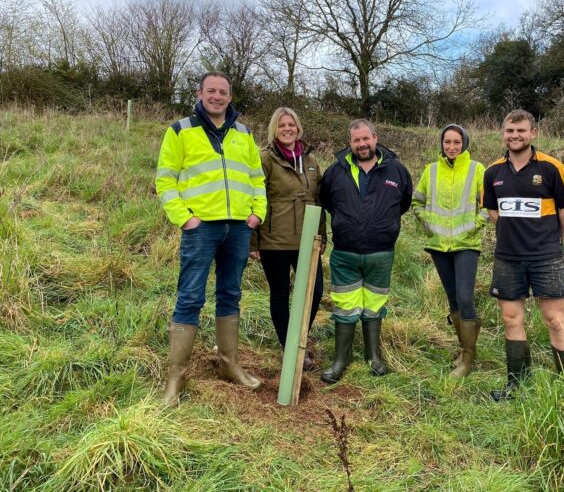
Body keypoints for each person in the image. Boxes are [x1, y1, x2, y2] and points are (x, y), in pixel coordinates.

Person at [155, 72, 267, 407]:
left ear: (230, 97)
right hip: (201, 227)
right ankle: (176, 376)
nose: (217, 97)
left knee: (231, 293)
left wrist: (256, 213)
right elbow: (165, 180)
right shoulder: (180, 130)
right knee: (190, 297)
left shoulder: (244, 133)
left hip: (238, 228)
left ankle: (228, 363)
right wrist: (184, 218)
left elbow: (256, 177)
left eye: (223, 92)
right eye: (211, 91)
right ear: (200, 93)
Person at [481, 109, 564, 401]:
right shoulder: (492, 172)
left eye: (521, 130)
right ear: (503, 134)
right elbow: (493, 210)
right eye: (510, 131)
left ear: (533, 133)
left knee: (555, 320)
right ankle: (518, 386)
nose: (515, 136)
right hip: (507, 258)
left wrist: (551, 239)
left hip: (546, 258)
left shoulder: (552, 168)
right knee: (511, 319)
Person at [319, 119, 413, 383]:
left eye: (366, 139)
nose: (362, 144)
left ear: (375, 138)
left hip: (381, 254)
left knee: (375, 304)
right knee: (345, 306)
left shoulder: (397, 170)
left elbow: (403, 203)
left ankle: (374, 357)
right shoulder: (335, 171)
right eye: (356, 140)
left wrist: (382, 225)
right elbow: (326, 202)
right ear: (350, 143)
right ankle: (341, 360)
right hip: (345, 254)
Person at [249, 107, 325, 371]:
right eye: (282, 125)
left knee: (314, 292)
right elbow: (255, 199)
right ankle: (290, 348)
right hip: (274, 241)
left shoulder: (312, 160)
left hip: (306, 239)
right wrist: (254, 242)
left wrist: (321, 236)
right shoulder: (265, 160)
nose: (287, 129)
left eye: (291, 124)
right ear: (274, 129)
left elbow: (319, 201)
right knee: (280, 293)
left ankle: (299, 338)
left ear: (298, 127)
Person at [412, 124, 488, 378]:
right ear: (441, 144)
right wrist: (428, 225)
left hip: (466, 243)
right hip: (439, 244)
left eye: (457, 142)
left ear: (464, 143)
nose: (452, 147)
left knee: (465, 298)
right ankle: (464, 349)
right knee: (453, 299)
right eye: (447, 142)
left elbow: (489, 205)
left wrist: (475, 226)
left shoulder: (477, 169)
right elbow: (417, 201)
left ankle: (468, 358)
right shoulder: (430, 170)